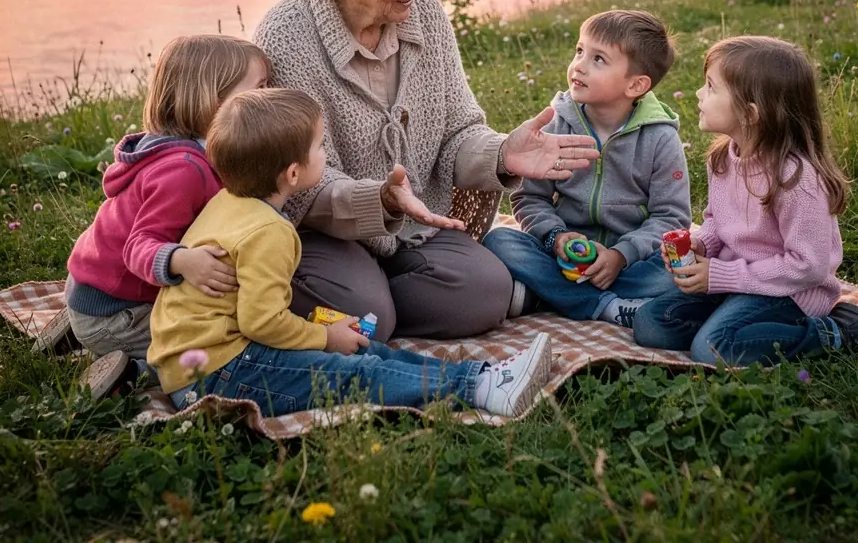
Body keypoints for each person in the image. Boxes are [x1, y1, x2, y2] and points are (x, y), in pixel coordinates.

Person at [253, 0, 599, 341]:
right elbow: (295, 185)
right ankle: (362, 307)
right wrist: (378, 200)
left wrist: (501, 154)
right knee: (367, 310)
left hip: (414, 227)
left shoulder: (427, 18)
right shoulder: (285, 40)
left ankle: (372, 310)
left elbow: (457, 134)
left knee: (485, 291)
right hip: (321, 233)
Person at [148, 88, 554, 419]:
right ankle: (478, 390)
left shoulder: (225, 201)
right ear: (293, 174)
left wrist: (329, 335)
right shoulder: (269, 231)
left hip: (208, 358)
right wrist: (322, 336)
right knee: (348, 376)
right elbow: (261, 322)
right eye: (320, 146)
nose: (325, 153)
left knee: (362, 348)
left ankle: (482, 375)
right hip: (217, 374)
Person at [633, 36, 858, 366]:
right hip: (738, 280)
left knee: (713, 349)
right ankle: (745, 326)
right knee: (650, 325)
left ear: (750, 113)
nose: (700, 94)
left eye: (711, 87)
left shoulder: (796, 180)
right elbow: (718, 221)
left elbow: (808, 266)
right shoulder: (724, 158)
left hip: (790, 291)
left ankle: (838, 331)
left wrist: (719, 276)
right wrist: (702, 245)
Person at [66, 35, 269, 395]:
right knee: (213, 348)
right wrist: (182, 260)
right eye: (259, 89)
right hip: (115, 311)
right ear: (215, 102)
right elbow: (137, 246)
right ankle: (130, 373)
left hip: (95, 286)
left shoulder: (189, 150)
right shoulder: (183, 171)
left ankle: (75, 331)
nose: (268, 98)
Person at [484, 10, 691, 329]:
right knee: (499, 240)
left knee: (677, 270)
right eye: (580, 51)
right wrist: (557, 237)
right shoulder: (556, 123)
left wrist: (621, 255)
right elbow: (529, 198)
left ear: (636, 84)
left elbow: (671, 217)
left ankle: (547, 295)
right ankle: (607, 306)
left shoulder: (660, 139)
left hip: (629, 262)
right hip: (563, 255)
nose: (579, 65)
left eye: (599, 59)